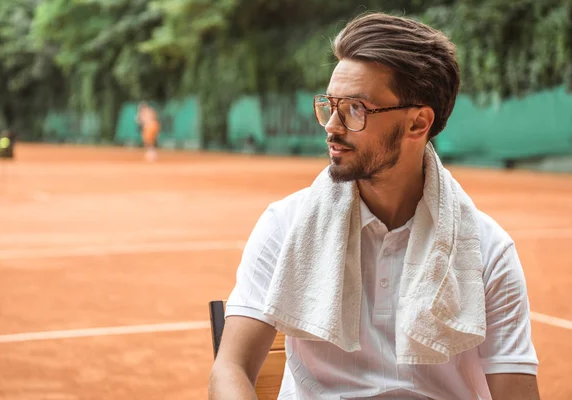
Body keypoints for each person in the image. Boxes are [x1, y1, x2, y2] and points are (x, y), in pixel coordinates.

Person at [209, 12, 539, 400]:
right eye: (330, 105)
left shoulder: (487, 250)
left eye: (355, 109)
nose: (332, 125)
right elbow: (230, 369)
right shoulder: (285, 226)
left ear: (418, 124)